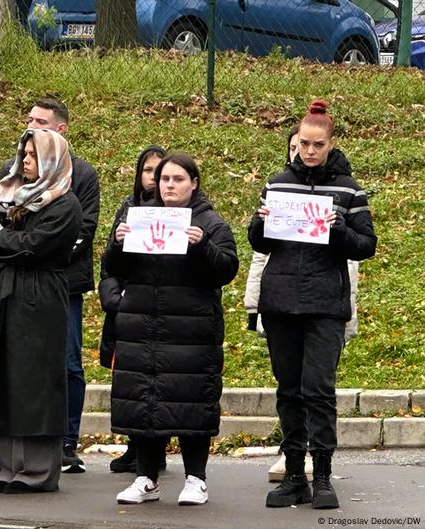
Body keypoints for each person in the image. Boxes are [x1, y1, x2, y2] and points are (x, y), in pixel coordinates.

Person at [249, 100, 376, 510]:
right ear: (295, 142)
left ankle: (322, 475)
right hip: (282, 301)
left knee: (318, 390)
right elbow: (259, 242)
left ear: (330, 143)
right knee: (288, 391)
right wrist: (260, 222)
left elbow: (366, 246)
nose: (309, 151)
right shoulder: (277, 183)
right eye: (304, 143)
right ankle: (292, 474)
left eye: (318, 144)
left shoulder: (349, 188)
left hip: (325, 302)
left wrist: (341, 232)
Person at [106, 152, 238, 506]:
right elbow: (112, 266)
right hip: (142, 329)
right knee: (146, 404)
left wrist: (203, 247)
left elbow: (226, 268)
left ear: (194, 183)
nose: (169, 186)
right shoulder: (139, 217)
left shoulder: (210, 223)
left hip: (190, 333)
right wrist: (118, 242)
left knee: (190, 402)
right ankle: (146, 478)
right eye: (164, 179)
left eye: (178, 179)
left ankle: (196, 479)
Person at [0, 128, 83, 494]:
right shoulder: (17, 200)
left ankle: (35, 469)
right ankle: (4, 466)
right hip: (8, 293)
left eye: (34, 156)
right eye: (25, 155)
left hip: (39, 297)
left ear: (52, 160)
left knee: (34, 383)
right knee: (4, 381)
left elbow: (32, 246)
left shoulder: (66, 205)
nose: (26, 162)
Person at [0, 97, 99, 473]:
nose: (33, 126)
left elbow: (82, 230)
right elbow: (3, 229)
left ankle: (67, 441)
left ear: (60, 129)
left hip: (63, 283)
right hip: (17, 286)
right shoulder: (12, 172)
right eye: (29, 120)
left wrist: (41, 253)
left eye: (41, 121)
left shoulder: (81, 175)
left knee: (68, 363)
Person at [98, 146, 168, 474]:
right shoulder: (129, 208)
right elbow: (110, 262)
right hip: (127, 308)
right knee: (128, 381)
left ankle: (155, 448)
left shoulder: (178, 212)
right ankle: (133, 445)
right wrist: (114, 299)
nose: (152, 178)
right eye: (146, 170)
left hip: (160, 309)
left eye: (159, 171)